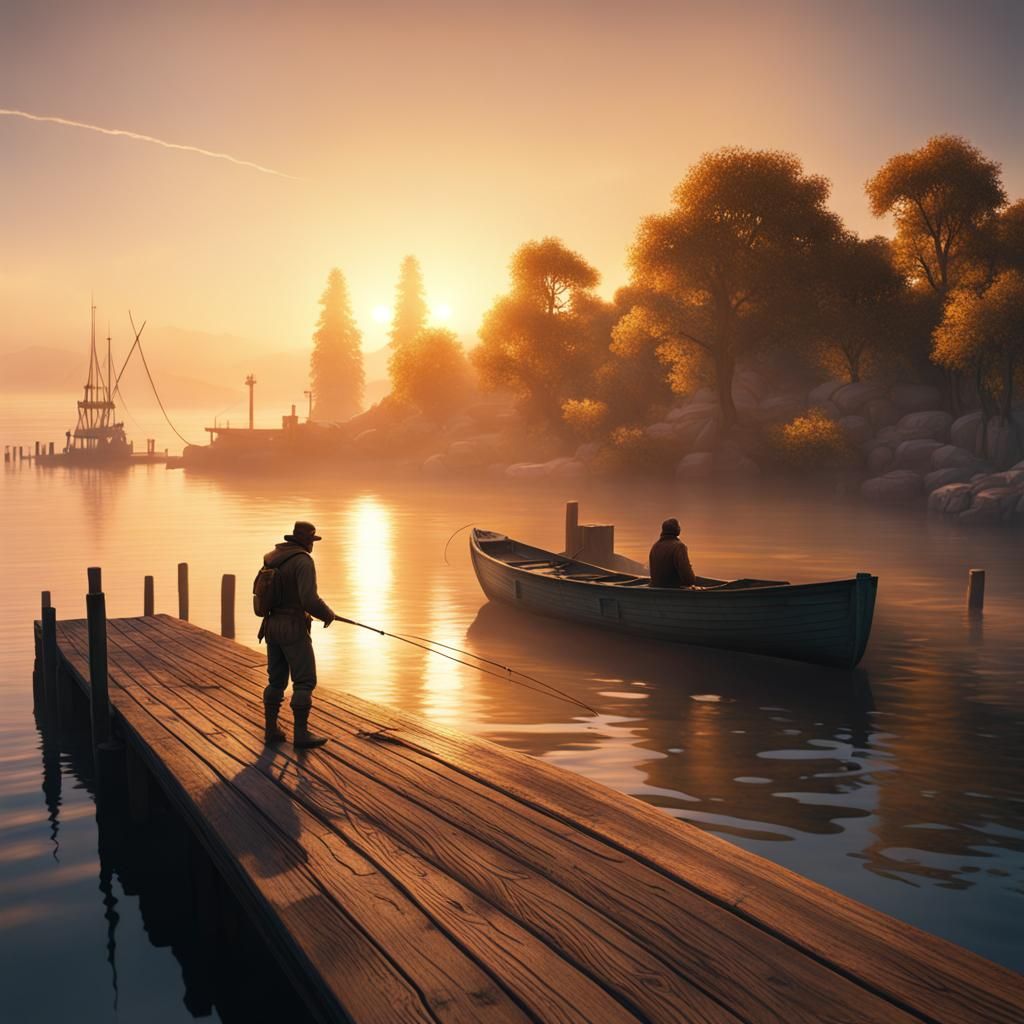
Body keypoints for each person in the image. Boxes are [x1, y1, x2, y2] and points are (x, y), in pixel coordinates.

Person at [260, 521, 337, 748]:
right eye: (312, 540)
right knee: (304, 682)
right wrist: (328, 614)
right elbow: (309, 600)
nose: (313, 545)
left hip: (271, 625)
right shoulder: (303, 561)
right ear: (305, 540)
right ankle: (301, 735)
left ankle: (271, 730)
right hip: (293, 627)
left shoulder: (272, 557)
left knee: (276, 680)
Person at [648, 517, 697, 588]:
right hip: (673, 589)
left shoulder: (655, 546)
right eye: (679, 527)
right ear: (677, 530)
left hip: (655, 588)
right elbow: (689, 580)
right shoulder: (679, 547)